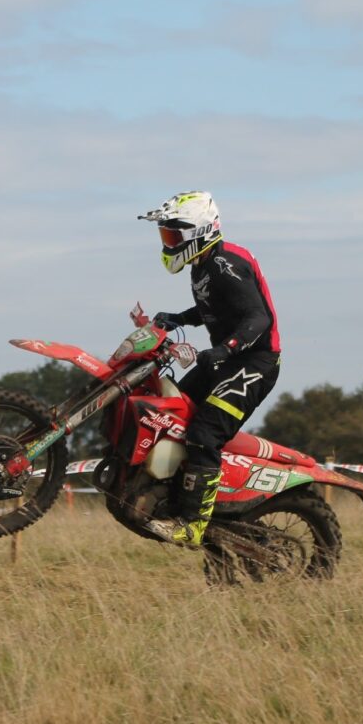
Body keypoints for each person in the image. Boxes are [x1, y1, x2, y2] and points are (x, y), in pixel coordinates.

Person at [138, 191, 281, 547]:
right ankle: (174, 493)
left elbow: (257, 317)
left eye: (173, 234)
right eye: (165, 235)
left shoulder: (226, 264)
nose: (168, 242)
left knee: (204, 433)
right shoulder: (204, 263)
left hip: (254, 363)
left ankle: (193, 524)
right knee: (172, 412)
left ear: (198, 232)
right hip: (226, 359)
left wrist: (225, 349)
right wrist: (177, 318)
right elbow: (214, 309)